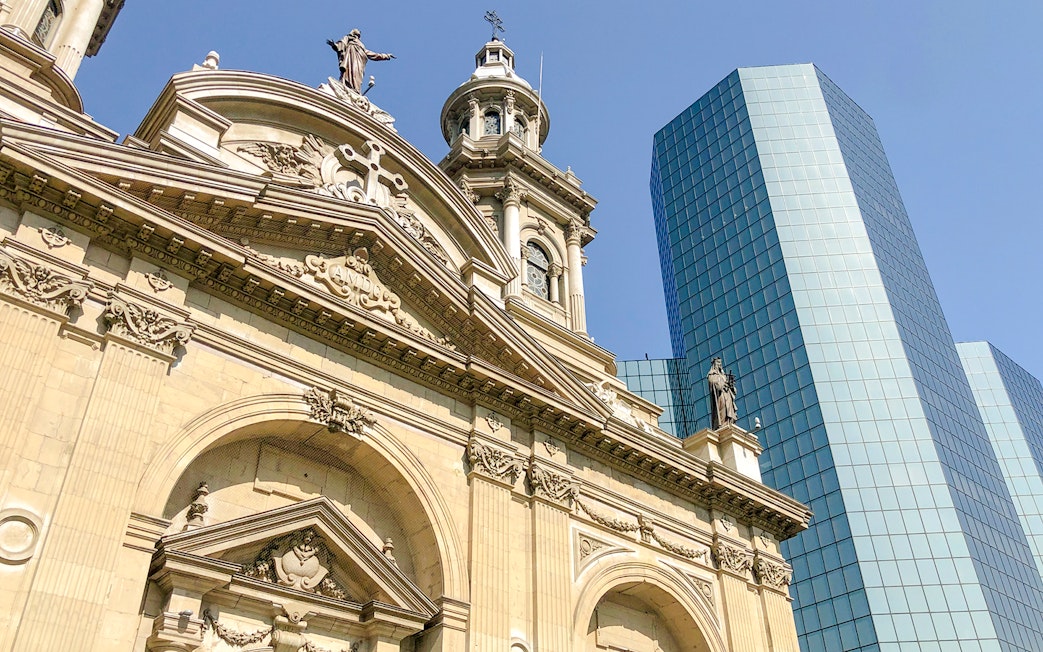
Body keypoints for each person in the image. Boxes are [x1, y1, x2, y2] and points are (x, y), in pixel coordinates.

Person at [328, 29, 395, 93]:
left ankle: (356, 89)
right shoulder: (348, 38)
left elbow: (372, 54)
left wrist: (386, 56)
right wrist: (334, 45)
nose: (359, 31)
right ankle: (347, 86)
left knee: (357, 75)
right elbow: (341, 45)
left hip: (360, 60)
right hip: (351, 57)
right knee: (350, 71)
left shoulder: (361, 45)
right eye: (356, 30)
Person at [707, 358, 737, 428]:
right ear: (714, 364)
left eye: (720, 363)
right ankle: (723, 425)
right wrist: (723, 383)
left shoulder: (723, 375)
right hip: (721, 396)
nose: (719, 364)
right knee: (722, 413)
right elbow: (714, 384)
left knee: (729, 411)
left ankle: (729, 423)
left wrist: (731, 385)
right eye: (718, 362)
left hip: (728, 395)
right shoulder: (712, 374)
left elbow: (733, 391)